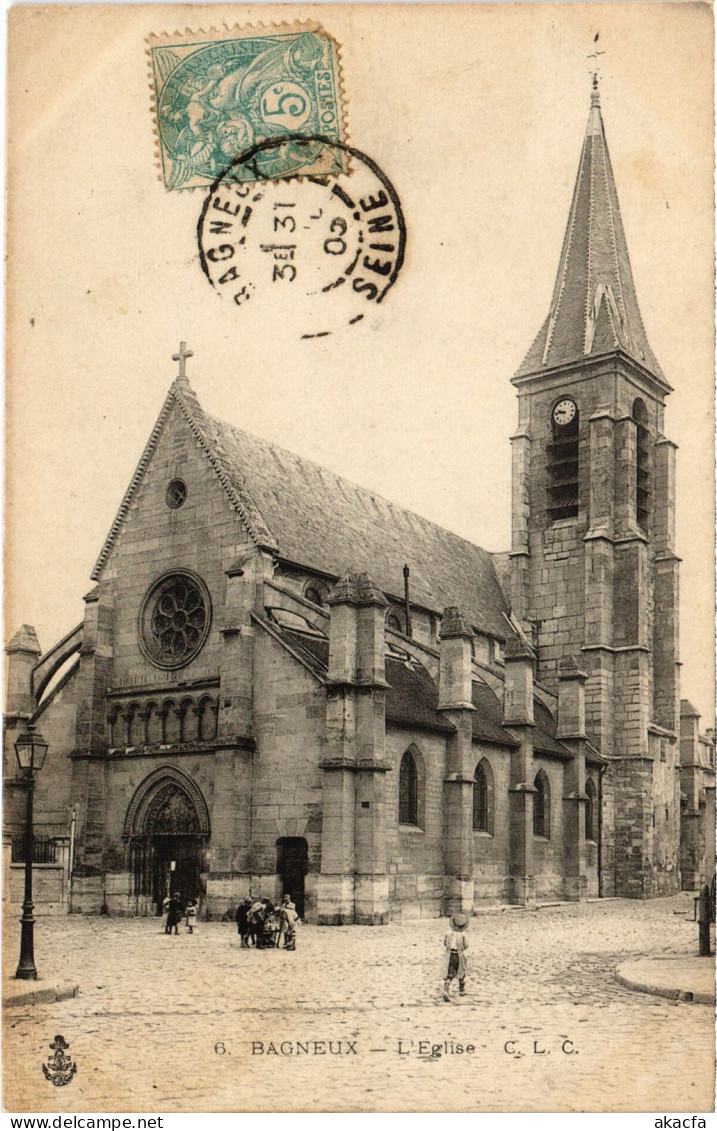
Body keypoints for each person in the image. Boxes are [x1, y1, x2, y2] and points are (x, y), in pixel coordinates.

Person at [442, 912, 469, 1001]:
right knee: (461, 971)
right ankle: (461, 990)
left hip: (450, 955)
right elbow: (466, 945)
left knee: (450, 973)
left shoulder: (448, 933)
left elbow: (445, 943)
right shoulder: (463, 934)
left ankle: (446, 990)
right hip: (459, 955)